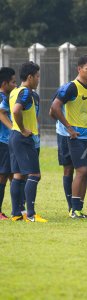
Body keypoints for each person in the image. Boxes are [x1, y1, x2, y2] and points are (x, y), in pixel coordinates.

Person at [50, 55, 87, 219]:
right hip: (76, 136)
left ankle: (78, 209)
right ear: (79, 69)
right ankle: (73, 209)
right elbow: (54, 107)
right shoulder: (71, 87)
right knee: (80, 170)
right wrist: (69, 128)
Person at [8, 61, 47, 222]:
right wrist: (24, 129)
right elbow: (17, 110)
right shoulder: (25, 93)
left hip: (15, 137)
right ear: (30, 77)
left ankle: (16, 213)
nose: (39, 79)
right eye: (37, 76)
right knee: (34, 175)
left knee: (18, 175)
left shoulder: (14, 91)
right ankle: (30, 214)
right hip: (23, 138)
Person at [0, 67, 16, 220]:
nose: (15, 85)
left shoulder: (8, 96)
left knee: (13, 174)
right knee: (3, 175)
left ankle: (18, 210)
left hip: (8, 141)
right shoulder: (2, 98)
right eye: (13, 82)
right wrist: (13, 129)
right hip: (3, 141)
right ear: (4, 83)